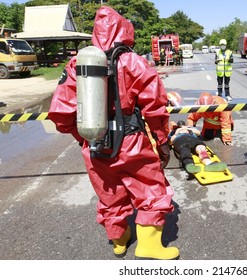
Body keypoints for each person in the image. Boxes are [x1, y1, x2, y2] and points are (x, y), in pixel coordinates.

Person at [48, 6, 179, 260]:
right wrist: (162, 141)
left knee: (109, 193)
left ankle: (120, 240)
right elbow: (155, 106)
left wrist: (83, 137)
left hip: (95, 142)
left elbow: (62, 113)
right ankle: (149, 246)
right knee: (150, 188)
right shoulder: (134, 61)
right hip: (132, 142)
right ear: (124, 30)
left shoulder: (78, 63)